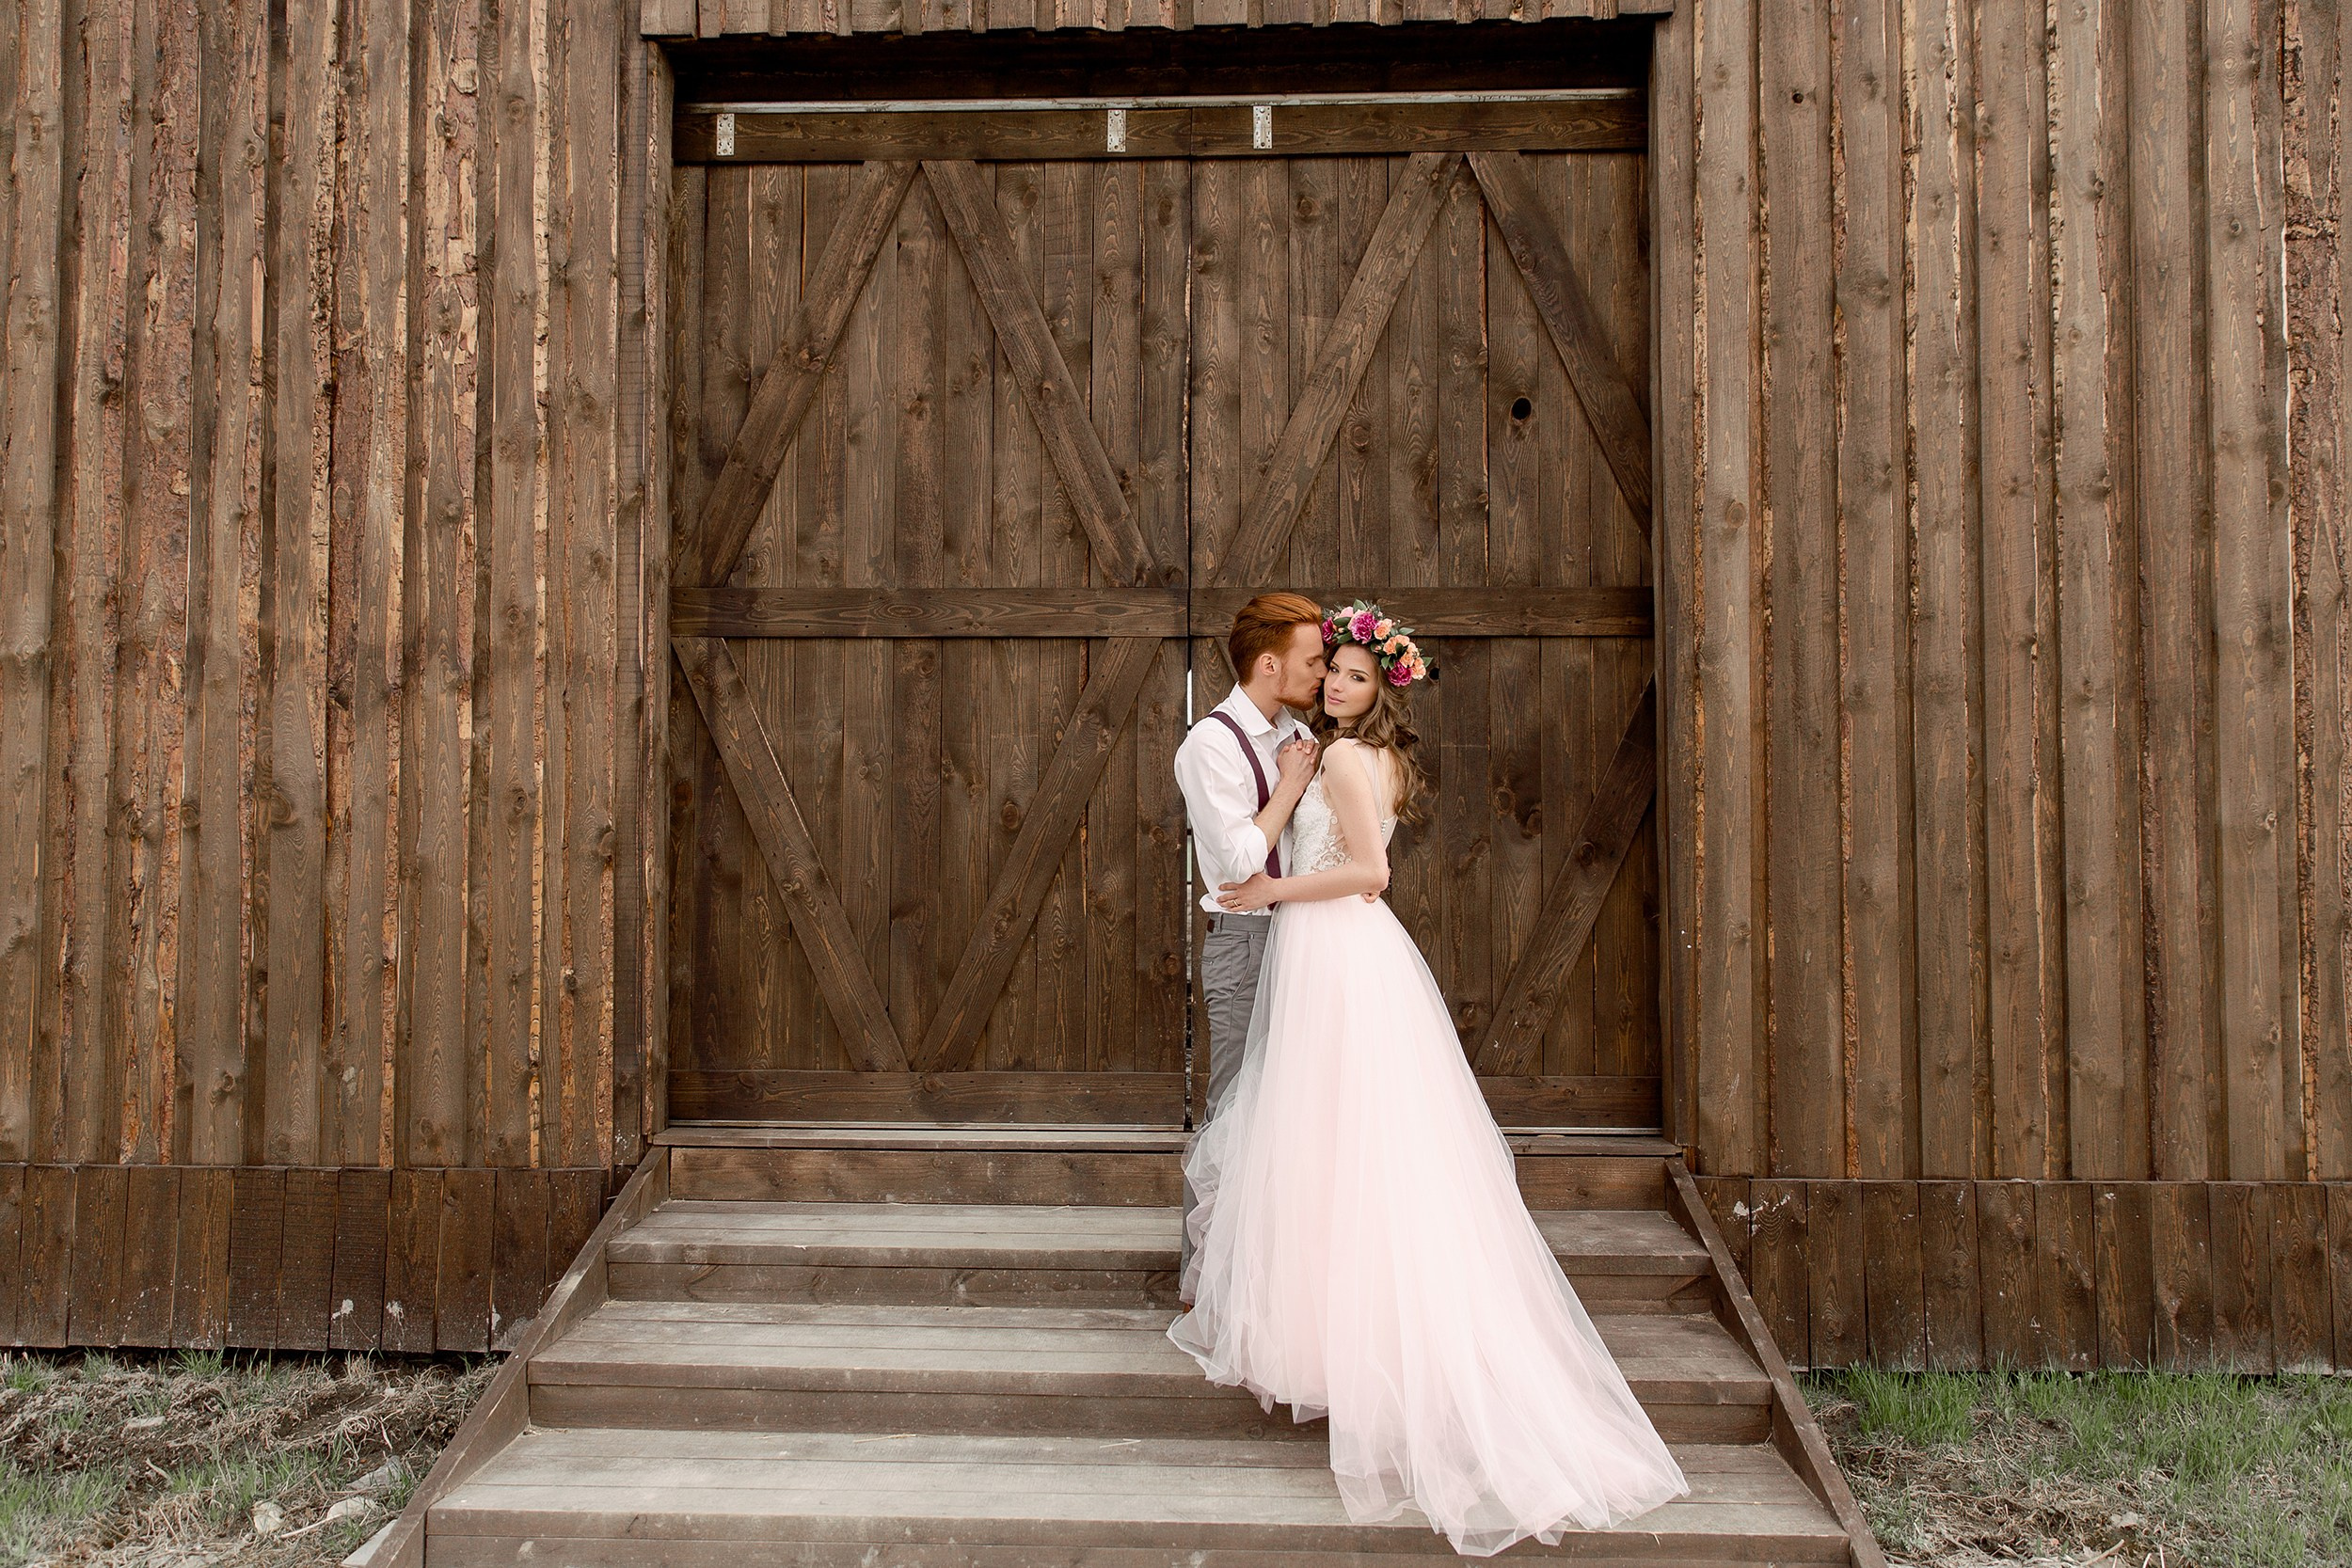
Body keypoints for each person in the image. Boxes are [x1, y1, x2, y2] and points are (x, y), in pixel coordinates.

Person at [1167, 599, 1692, 1558]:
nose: (1331, 680)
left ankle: (1351, 1336)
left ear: (1383, 690)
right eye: (1328, 668)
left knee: (1332, 1135)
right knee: (1318, 1137)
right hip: (1321, 952)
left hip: (1331, 947)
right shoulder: (1314, 748)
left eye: (1353, 674)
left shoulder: (1329, 756)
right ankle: (1313, 1322)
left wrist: (1280, 883)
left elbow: (1368, 870)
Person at [1170, 592, 1328, 1284]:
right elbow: (1239, 860)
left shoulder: (1295, 732)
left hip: (1300, 940)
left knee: (1293, 1108)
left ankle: (1270, 1276)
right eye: (1313, 659)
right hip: (1242, 938)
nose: (1323, 672)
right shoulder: (1210, 743)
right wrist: (1291, 787)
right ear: (1270, 664)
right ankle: (1202, 1276)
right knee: (1233, 1106)